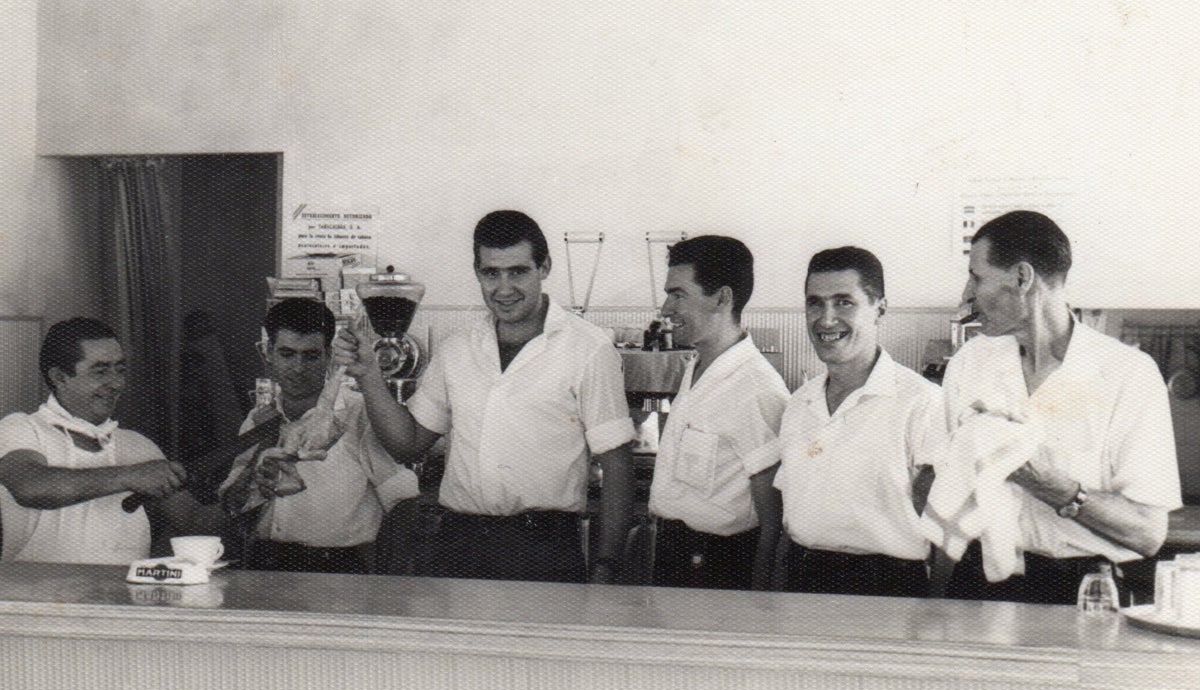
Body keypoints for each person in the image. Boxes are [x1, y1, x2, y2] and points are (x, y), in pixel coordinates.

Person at [332, 210, 636, 584]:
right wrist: (369, 376)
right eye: (491, 273)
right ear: (477, 272)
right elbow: (407, 445)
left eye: (518, 271)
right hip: (458, 543)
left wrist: (606, 568)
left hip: (545, 547)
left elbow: (618, 465)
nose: (504, 288)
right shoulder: (457, 348)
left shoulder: (588, 348)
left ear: (545, 267)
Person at [939, 210, 1181, 604]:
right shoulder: (969, 363)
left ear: (1022, 278)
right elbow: (942, 490)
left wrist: (1051, 485)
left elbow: (1148, 533)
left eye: (976, 276)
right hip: (976, 585)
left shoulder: (1128, 374)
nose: (966, 294)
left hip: (1082, 592)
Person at [763, 247, 944, 597]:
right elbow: (791, 514)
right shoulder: (800, 403)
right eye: (815, 303)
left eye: (844, 302)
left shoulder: (920, 402)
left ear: (880, 309)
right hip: (802, 582)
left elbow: (945, 532)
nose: (826, 319)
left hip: (888, 588)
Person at [219, 299, 419, 574]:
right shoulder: (258, 420)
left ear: (328, 357)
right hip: (265, 563)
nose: (298, 368)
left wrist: (390, 585)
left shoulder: (357, 414)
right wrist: (257, 473)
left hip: (339, 568)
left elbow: (405, 504)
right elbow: (233, 505)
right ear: (268, 352)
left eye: (311, 355)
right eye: (287, 354)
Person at [647, 235, 789, 591]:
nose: (666, 309)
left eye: (678, 294)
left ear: (722, 298)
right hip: (673, 556)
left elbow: (774, 521)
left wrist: (758, 602)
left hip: (717, 567)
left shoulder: (757, 389)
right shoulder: (697, 366)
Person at [0, 318, 188, 564]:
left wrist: (242, 498)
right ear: (59, 377)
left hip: (123, 600)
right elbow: (31, 487)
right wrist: (130, 477)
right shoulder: (20, 428)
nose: (117, 383)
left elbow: (194, 520)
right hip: (36, 600)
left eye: (120, 369)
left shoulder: (139, 446)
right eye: (100, 371)